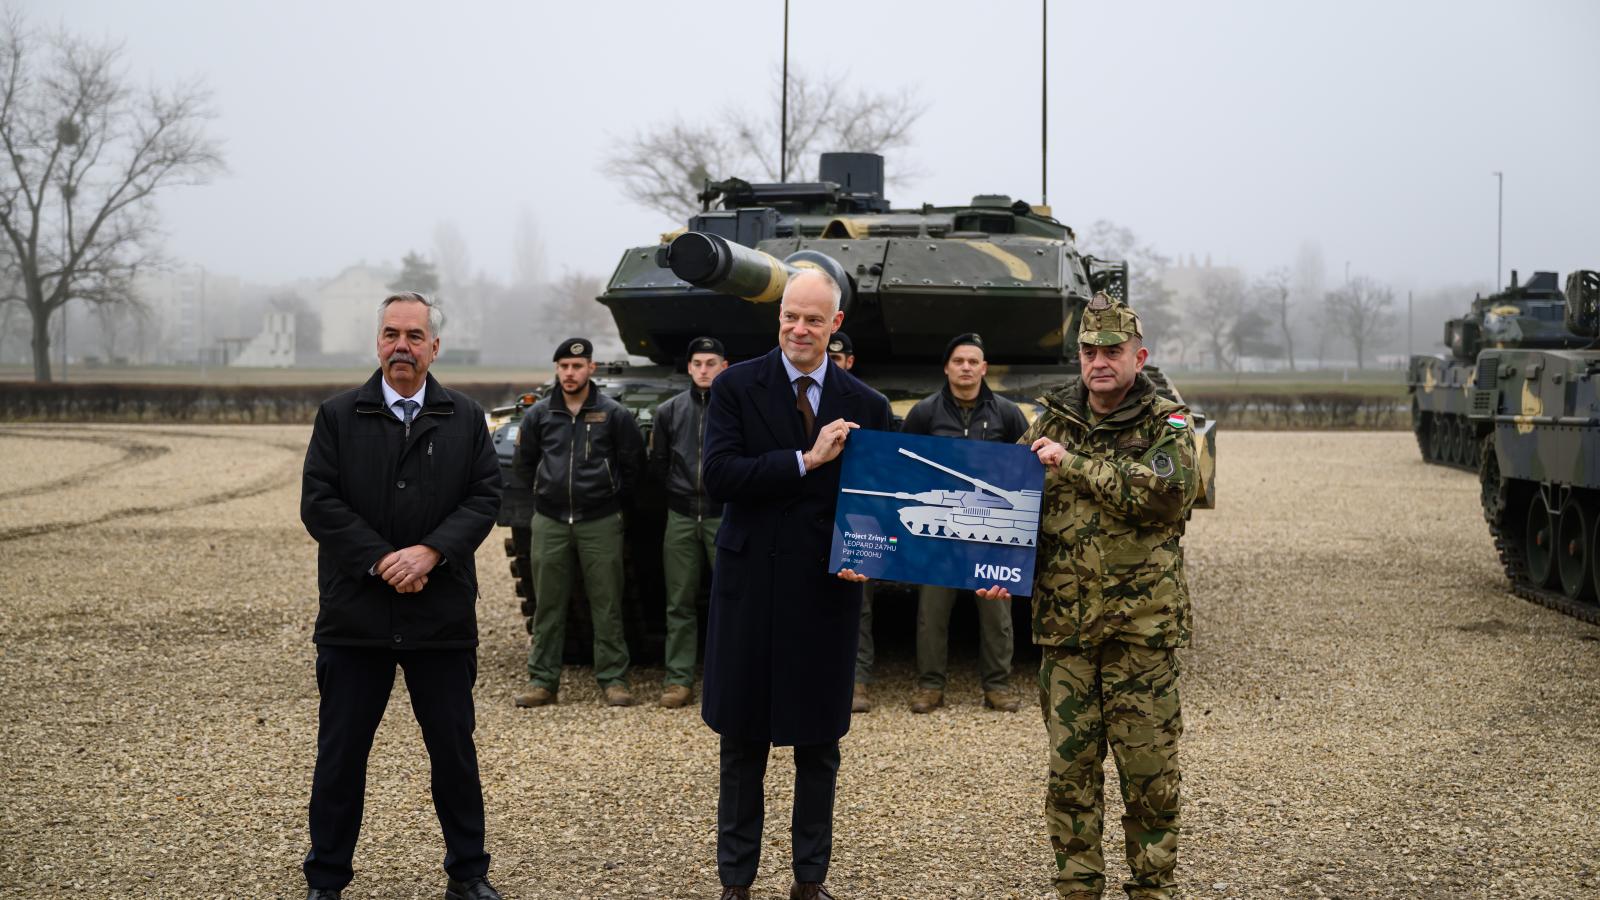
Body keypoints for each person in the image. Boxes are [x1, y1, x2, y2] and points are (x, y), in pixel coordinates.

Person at [978, 293, 1198, 900]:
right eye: (1089, 350)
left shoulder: (1167, 423)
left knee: (1149, 775)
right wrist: (997, 563)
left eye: (1112, 351)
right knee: (1069, 776)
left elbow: (1167, 493)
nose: (1099, 361)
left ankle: (1153, 886)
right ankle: (1078, 887)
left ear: (1139, 356)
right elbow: (1012, 509)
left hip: (1140, 634)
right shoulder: (1048, 422)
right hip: (1066, 633)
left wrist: (1072, 464)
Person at [299, 291, 505, 900]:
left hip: (439, 617)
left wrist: (430, 553)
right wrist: (381, 559)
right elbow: (320, 502)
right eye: (391, 335)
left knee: (453, 755)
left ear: (434, 348)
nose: (402, 347)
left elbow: (484, 497)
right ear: (377, 343)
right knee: (340, 757)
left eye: (414, 337)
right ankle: (327, 879)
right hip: (355, 617)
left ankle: (468, 875)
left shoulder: (464, 417)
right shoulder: (338, 416)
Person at [700, 269, 893, 900]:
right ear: (777, 318)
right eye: (790, 317)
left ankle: (810, 880)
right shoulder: (734, 386)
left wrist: (875, 550)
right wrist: (805, 461)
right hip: (751, 582)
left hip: (824, 591)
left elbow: (878, 503)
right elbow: (720, 476)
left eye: (813, 319)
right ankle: (737, 879)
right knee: (742, 740)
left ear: (835, 325)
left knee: (818, 743)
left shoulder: (867, 404)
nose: (799, 330)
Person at [512, 337, 646, 708]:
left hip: (599, 520)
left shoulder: (612, 414)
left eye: (577, 366)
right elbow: (524, 462)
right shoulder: (540, 414)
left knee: (606, 602)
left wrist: (612, 497)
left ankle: (614, 679)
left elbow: (632, 463)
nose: (570, 373)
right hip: (551, 520)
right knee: (549, 604)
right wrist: (544, 492)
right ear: (557, 370)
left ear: (591, 368)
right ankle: (543, 681)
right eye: (564, 367)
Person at [901, 332, 1030, 714]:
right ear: (947, 368)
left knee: (996, 613)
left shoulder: (1006, 412)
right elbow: (904, 467)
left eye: (974, 361)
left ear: (984, 368)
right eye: (959, 361)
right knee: (932, 614)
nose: (966, 367)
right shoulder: (925, 412)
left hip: (992, 529)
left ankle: (997, 685)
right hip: (941, 529)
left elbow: (1025, 467)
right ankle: (930, 686)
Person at [648, 335, 729, 708]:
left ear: (723, 367)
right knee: (678, 601)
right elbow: (659, 462)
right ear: (689, 367)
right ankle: (679, 678)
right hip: (682, 514)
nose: (703, 370)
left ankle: (728, 677)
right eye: (697, 364)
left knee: (730, 599)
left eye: (711, 363)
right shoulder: (669, 411)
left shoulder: (734, 409)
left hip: (723, 515)